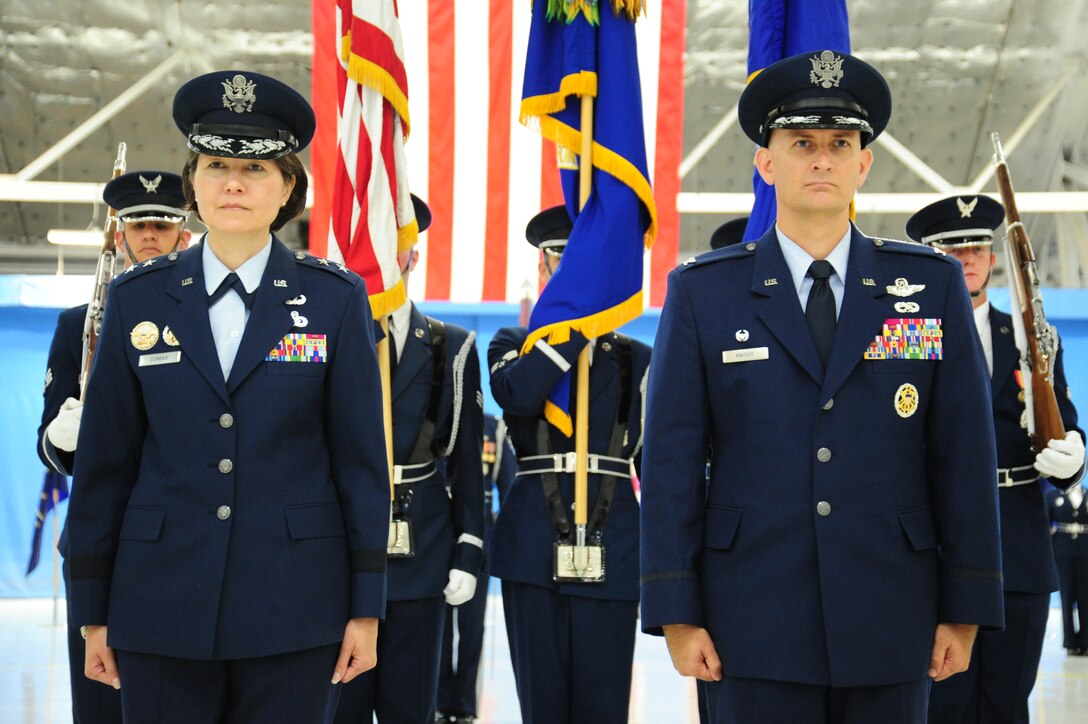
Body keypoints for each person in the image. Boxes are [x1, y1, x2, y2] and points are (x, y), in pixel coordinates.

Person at [640, 50, 1004, 723]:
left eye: (841, 144)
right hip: (750, 618)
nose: (822, 160)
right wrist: (674, 610)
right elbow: (670, 464)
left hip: (893, 615)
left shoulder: (928, 287)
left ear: (863, 164)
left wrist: (969, 605)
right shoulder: (704, 294)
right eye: (801, 142)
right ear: (766, 162)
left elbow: (962, 457)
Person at [65, 70, 390, 724]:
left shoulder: (334, 300)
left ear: (288, 187)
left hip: (296, 606)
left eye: (257, 168)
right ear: (193, 185)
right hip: (159, 605)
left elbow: (360, 466)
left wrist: (366, 608)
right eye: (216, 164)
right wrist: (91, 613)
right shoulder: (139, 299)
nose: (234, 182)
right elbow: (104, 468)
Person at [906, 195, 1086, 723]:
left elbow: (1063, 426)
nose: (967, 259)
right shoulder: (907, 336)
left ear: (992, 257)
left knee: (1008, 704)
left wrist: (1072, 456)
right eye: (952, 249)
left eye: (978, 249)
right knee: (943, 703)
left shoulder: (1033, 338)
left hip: (1019, 542)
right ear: (932, 258)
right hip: (939, 542)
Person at [37, 168, 191, 724]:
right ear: (117, 236)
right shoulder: (79, 325)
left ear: (184, 236)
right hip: (97, 540)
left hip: (178, 536)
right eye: (137, 225)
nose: (149, 234)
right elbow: (50, 445)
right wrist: (62, 436)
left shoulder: (204, 321)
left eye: (162, 225)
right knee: (100, 702)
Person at [487, 206, 652, 724]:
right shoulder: (513, 345)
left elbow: (656, 464)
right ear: (544, 267)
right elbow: (519, 394)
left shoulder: (637, 358)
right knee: (543, 706)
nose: (577, 275)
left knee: (604, 707)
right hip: (534, 543)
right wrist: (573, 331)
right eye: (566, 262)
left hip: (616, 544)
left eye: (589, 266)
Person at [334, 196, 484, 723]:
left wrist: (469, 549)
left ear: (411, 258)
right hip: (339, 552)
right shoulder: (325, 340)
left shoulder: (452, 345)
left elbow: (467, 462)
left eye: (393, 244)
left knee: (410, 709)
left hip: (422, 549)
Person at [436, 413, 517, 723]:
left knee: (473, 626)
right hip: (438, 528)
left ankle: (466, 704)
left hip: (479, 534)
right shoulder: (441, 415)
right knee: (439, 623)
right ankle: (441, 700)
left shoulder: (493, 428)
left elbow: (508, 485)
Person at [1048, 483, 1088, 655]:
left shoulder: (1086, 495)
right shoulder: (1054, 495)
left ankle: (1086, 641)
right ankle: (1070, 642)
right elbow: (1046, 523)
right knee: (1066, 597)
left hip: (1085, 551)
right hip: (1063, 552)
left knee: (1085, 597)